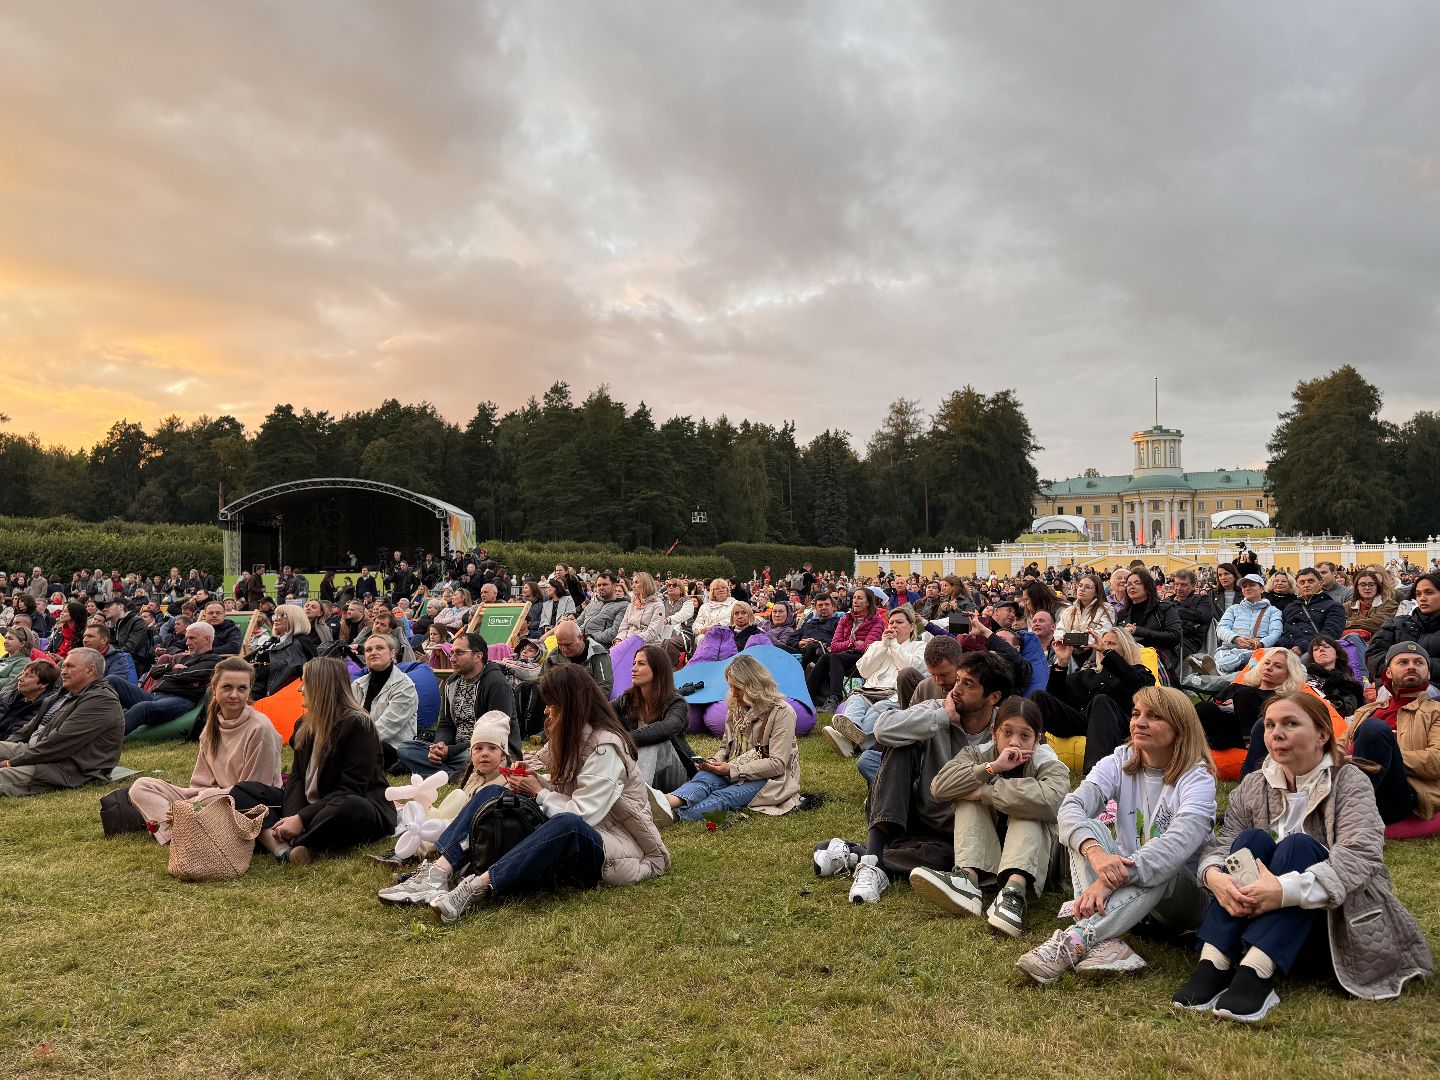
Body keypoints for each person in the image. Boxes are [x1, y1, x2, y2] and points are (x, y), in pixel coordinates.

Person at [1172, 692, 1432, 1022]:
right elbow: (1223, 846)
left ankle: (1256, 973)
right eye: (1269, 725)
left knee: (1299, 846)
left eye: (1290, 724)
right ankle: (1214, 962)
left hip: (1330, 925)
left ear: (1322, 734)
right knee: (1249, 841)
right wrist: (1215, 877)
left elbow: (1360, 856)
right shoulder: (1254, 784)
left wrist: (1282, 892)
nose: (1276, 733)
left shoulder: (1350, 782)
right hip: (1255, 913)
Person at [425, 664, 671, 921]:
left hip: (619, 847)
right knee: (494, 792)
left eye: (552, 704)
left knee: (568, 823)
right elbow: (567, 790)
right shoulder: (573, 736)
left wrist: (539, 793)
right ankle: (439, 871)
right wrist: (536, 781)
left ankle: (479, 886)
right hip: (586, 829)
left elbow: (583, 814)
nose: (546, 710)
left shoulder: (604, 748)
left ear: (570, 706)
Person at [1016, 686, 1216, 982]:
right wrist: (1095, 853)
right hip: (1127, 891)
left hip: (1184, 899)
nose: (1139, 722)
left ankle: (1077, 939)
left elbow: (1177, 846)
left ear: (1180, 726)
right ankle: (1108, 945)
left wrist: (1108, 882)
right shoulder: (1120, 759)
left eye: (1154, 716)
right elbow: (1071, 807)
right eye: (1136, 714)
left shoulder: (1197, 777)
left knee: (1161, 862)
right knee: (1091, 830)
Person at [821, 644, 1013, 905]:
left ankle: (859, 855)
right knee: (900, 744)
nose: (955, 689)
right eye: (957, 680)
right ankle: (872, 862)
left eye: (968, 685)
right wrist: (942, 717)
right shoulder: (938, 707)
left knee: (944, 863)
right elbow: (882, 730)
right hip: (916, 816)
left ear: (993, 697)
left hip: (960, 832)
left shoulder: (1005, 730)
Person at [909, 697, 1069, 936]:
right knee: (965, 796)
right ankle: (968, 880)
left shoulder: (1047, 762)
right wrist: (992, 768)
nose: (1014, 742)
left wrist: (986, 792)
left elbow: (1052, 801)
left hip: (1038, 860)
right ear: (994, 732)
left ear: (1037, 740)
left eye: (1025, 736)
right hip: (990, 854)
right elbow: (939, 787)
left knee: (1027, 805)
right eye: (1007, 732)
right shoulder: (977, 753)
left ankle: (1014, 893)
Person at [230, 657, 396, 865]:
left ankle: (285, 839)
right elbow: (297, 778)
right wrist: (293, 817)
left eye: (305, 682)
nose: (300, 689)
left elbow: (351, 788)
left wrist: (301, 819)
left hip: (344, 807)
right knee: (242, 791)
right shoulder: (304, 725)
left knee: (351, 806)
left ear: (321, 685)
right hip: (312, 808)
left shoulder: (358, 725)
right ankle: (285, 849)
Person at [125, 657, 283, 843]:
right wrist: (195, 800)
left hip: (241, 803)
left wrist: (198, 801)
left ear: (249, 691)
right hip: (207, 798)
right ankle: (177, 835)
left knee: (204, 799)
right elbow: (200, 783)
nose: (234, 695)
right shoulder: (212, 725)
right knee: (142, 786)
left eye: (242, 688)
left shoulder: (260, 728)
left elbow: (254, 790)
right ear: (214, 689)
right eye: (227, 687)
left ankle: (179, 828)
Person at [376, 710, 514, 905]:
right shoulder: (474, 778)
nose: (484, 753)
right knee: (454, 798)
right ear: (472, 754)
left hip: (479, 835)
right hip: (461, 828)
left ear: (503, 755)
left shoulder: (505, 782)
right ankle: (419, 852)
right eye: (478, 748)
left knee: (445, 824)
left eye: (492, 748)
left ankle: (422, 857)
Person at [649, 654, 800, 825]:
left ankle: (674, 816)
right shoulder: (736, 707)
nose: (733, 694)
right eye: (730, 687)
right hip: (734, 770)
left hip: (770, 780)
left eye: (738, 689)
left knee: (725, 796)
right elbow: (725, 748)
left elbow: (777, 764)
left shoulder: (782, 712)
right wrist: (714, 762)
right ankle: (663, 802)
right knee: (704, 779)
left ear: (754, 687)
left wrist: (730, 770)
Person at [1029, 627, 1156, 772]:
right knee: (1038, 696)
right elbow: (1056, 697)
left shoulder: (1138, 672)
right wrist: (1061, 663)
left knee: (1102, 700)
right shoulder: (1088, 674)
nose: (1103, 646)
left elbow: (1142, 685)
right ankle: (1023, 757)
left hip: (1116, 724)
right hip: (1082, 721)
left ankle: (1096, 772)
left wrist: (1108, 653)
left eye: (1111, 644)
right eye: (1103, 643)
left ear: (1126, 647)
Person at [0, 648, 124, 797]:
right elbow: (27, 730)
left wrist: (11, 763)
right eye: (64, 666)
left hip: (64, 768)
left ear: (90, 671)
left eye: (70, 666)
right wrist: (8, 750)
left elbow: (59, 744)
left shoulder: (101, 700)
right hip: (38, 752)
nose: (63, 671)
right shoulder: (65, 694)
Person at [1342, 642, 1440, 825]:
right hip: (1350, 777)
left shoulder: (1436, 711)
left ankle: (1351, 812)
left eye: (1419, 662)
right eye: (1403, 662)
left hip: (1402, 794)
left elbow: (1436, 760)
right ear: (1388, 672)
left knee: (1374, 728)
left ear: (1428, 673)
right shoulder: (1366, 711)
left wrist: (1382, 756)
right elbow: (1339, 745)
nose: (1411, 666)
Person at [395, 632, 517, 777]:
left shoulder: (496, 684)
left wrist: (450, 751)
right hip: (455, 749)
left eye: (459, 653)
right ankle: (452, 773)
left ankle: (442, 772)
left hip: (488, 749)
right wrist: (439, 746)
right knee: (406, 748)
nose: (452, 659)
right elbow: (446, 724)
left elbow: (494, 734)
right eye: (452, 653)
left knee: (471, 757)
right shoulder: (452, 682)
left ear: (478, 656)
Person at [823, 607, 927, 758]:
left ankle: (852, 743)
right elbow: (864, 670)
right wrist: (884, 646)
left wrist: (895, 646)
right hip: (869, 691)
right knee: (855, 700)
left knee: (878, 708)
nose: (894, 626)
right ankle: (849, 736)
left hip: (895, 695)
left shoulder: (919, 646)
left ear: (911, 627)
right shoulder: (877, 645)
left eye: (899, 622)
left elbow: (910, 668)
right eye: (891, 622)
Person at [109, 621, 222, 735]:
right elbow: (153, 672)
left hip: (181, 700)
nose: (187, 642)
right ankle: (95, 717)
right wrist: (171, 667)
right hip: (153, 695)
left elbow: (187, 675)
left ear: (207, 639)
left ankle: (106, 738)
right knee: (112, 680)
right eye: (187, 638)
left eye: (192, 638)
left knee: (143, 708)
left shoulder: (213, 660)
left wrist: (167, 672)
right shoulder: (181, 658)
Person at [615, 645, 694, 790]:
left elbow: (668, 728)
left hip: (674, 776)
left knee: (654, 742)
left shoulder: (676, 702)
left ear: (658, 669)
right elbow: (601, 714)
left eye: (641, 664)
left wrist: (624, 738)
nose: (633, 669)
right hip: (636, 769)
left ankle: (637, 803)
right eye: (634, 663)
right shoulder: (627, 700)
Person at [807, 586, 886, 712]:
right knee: (826, 656)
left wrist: (850, 645)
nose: (855, 600)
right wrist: (851, 643)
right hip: (843, 658)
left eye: (860, 598)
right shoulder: (845, 619)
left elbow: (869, 647)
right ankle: (806, 697)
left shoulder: (876, 621)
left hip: (864, 660)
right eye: (854, 597)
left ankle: (834, 699)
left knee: (834, 657)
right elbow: (834, 646)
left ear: (868, 603)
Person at [351, 634, 419, 771]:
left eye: (380, 648)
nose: (373, 652)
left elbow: (385, 728)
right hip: (362, 741)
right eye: (369, 650)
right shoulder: (358, 684)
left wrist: (350, 741)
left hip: (392, 748)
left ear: (392, 653)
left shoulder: (405, 687)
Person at [1204, 573, 1283, 676]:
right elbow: (1221, 628)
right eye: (1244, 586)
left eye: (1252, 585)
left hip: (1256, 651)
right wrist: (1235, 638)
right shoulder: (1233, 608)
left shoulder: (1273, 611)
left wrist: (1260, 643)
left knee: (1236, 656)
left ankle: (1214, 668)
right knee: (1226, 658)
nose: (1247, 588)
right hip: (1228, 648)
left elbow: (1276, 632)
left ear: (1262, 589)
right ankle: (1222, 676)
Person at [1367, 571, 1440, 676]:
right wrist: (1400, 670)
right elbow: (1373, 656)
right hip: (1393, 684)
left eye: (1429, 592)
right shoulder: (1396, 624)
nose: (1422, 598)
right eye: (1418, 594)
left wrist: (1417, 668)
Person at [1116, 568, 1182, 676]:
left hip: (1158, 660)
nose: (1132, 586)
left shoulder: (1165, 608)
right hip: (1129, 660)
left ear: (1148, 586)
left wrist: (1137, 630)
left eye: (1138, 583)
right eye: (1129, 584)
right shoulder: (1122, 614)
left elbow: (1174, 637)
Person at [250, 604, 319, 698]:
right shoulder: (274, 640)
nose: (275, 619)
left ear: (294, 619)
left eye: (281, 616)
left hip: (274, 694)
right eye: (275, 615)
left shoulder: (301, 642)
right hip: (253, 684)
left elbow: (304, 671)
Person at [1277, 568, 1346, 655]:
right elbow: (1283, 632)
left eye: (1310, 581)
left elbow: (1330, 635)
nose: (1306, 585)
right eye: (1302, 582)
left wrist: (1302, 647)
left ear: (1320, 583)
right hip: (1287, 651)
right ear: (1297, 586)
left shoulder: (1334, 606)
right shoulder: (1289, 608)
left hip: (1314, 651)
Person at [1341, 567, 1398, 660]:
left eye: (1371, 584)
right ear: (1357, 587)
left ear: (1377, 587)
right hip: (1348, 647)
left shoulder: (1389, 604)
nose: (1367, 588)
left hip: (1378, 648)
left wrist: (1349, 623)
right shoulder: (1346, 606)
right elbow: (1338, 624)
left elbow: (1379, 623)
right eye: (1362, 585)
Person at [0, 659, 63, 741]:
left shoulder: (47, 709)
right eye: (23, 674)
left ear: (44, 684)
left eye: (28, 676)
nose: (20, 678)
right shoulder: (7, 696)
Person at [1304, 636, 1365, 718]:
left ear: (1337, 654)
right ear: (1313, 657)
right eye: (1316, 649)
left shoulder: (1349, 683)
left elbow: (1349, 711)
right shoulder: (1304, 679)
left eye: (1326, 646)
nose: (1321, 650)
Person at [1169, 569, 1216, 661]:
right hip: (1166, 636)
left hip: (1189, 641)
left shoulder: (1203, 599)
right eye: (1176, 584)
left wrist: (1170, 611)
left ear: (1193, 586)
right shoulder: (1168, 601)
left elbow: (1201, 616)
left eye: (1183, 585)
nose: (1178, 588)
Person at [575, 571, 629, 647]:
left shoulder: (624, 605)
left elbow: (615, 631)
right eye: (599, 585)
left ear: (614, 586)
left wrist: (589, 638)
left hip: (599, 645)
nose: (601, 587)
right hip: (579, 641)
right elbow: (578, 622)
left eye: (605, 584)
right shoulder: (592, 604)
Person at [1056, 573, 1114, 640]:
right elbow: (1059, 631)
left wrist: (1070, 638)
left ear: (1096, 592)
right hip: (1067, 649)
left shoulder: (1107, 609)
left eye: (1087, 587)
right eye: (1080, 585)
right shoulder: (1068, 611)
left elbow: (1101, 634)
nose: (1082, 589)